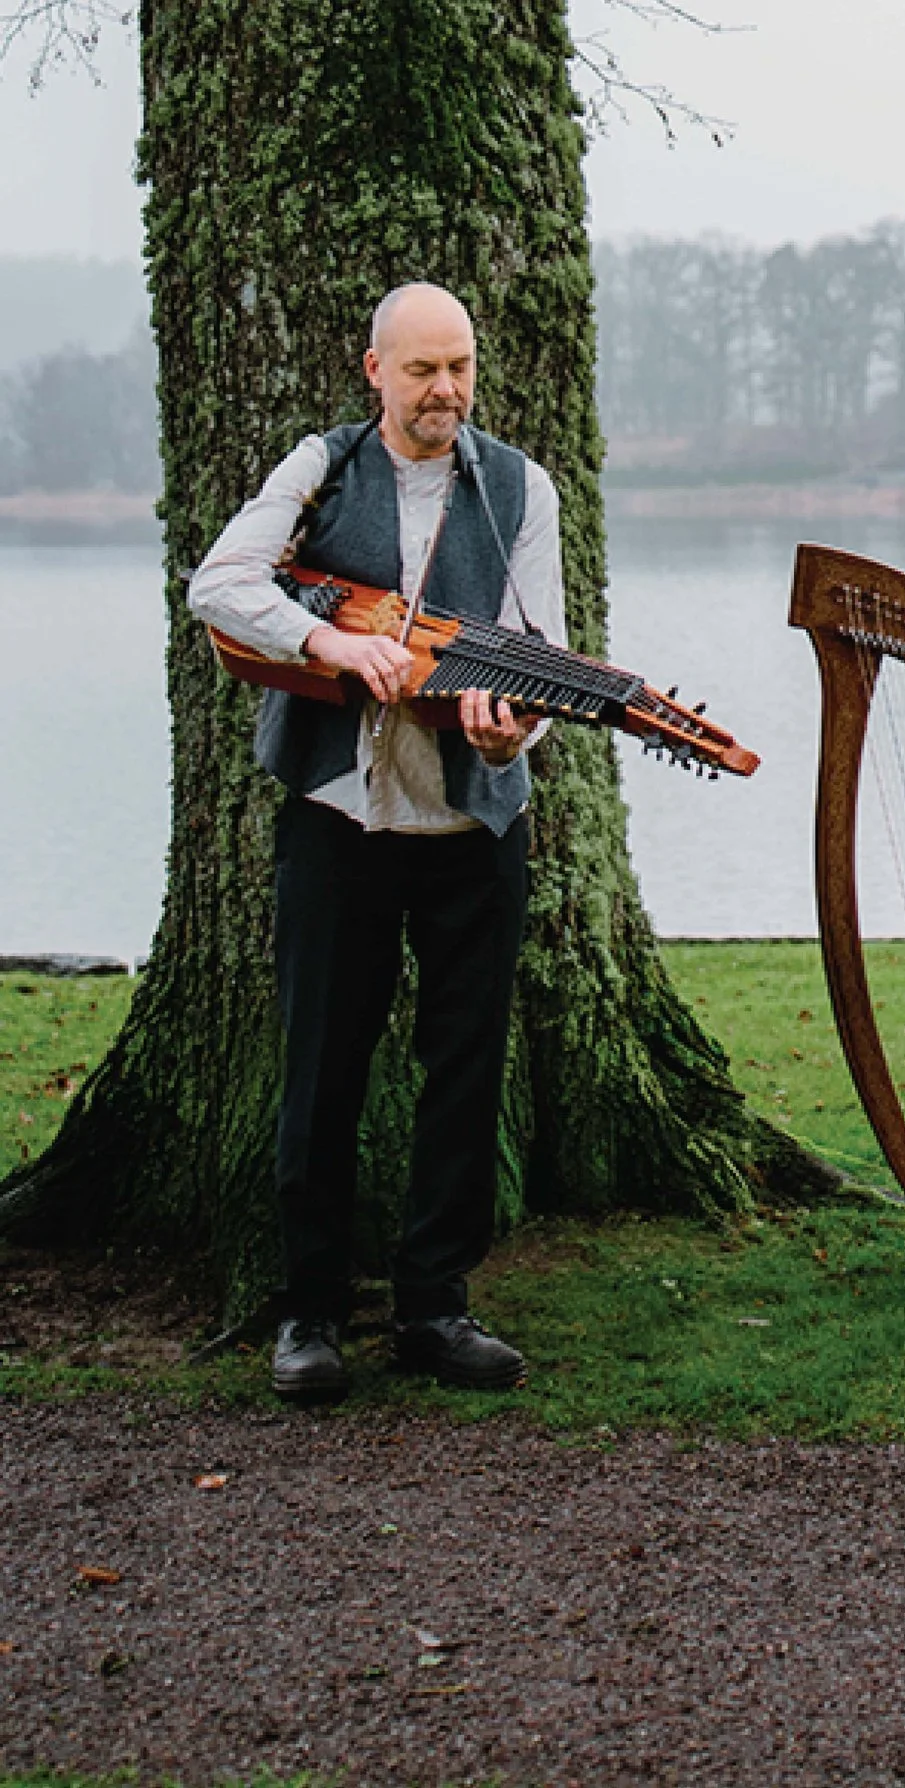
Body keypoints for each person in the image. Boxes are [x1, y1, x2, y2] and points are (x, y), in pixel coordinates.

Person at [190, 282, 565, 1399]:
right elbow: (219, 583)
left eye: (459, 367)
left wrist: (509, 740)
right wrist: (330, 646)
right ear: (375, 373)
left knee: (463, 1069)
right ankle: (309, 1314)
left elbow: (538, 651)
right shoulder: (322, 467)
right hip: (338, 817)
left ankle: (434, 1309)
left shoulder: (518, 486)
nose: (445, 390)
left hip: (470, 822)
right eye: (421, 370)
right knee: (323, 1065)